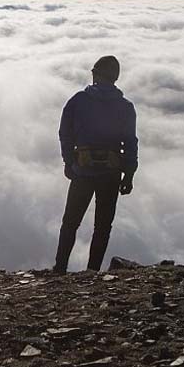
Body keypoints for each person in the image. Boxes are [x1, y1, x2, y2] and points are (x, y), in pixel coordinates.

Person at [53, 55, 138, 273]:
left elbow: (65, 133)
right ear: (115, 77)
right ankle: (92, 272)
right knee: (102, 227)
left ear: (97, 74)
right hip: (110, 174)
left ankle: (60, 268)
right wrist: (128, 175)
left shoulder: (78, 101)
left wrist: (69, 161)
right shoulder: (125, 107)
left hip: (82, 171)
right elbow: (130, 143)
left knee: (70, 223)